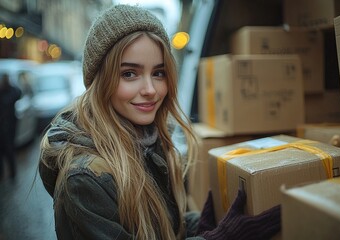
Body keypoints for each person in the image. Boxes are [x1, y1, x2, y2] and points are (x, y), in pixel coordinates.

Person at [38, 4, 281, 239]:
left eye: (158, 73)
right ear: (99, 82)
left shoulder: (151, 142)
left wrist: (201, 223)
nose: (150, 89)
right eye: (129, 74)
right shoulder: (84, 179)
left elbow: (162, 228)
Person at [0, 73, 21, 180]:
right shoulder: (8, 91)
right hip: (6, 124)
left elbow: (18, 93)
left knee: (8, 150)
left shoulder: (10, 91)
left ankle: (11, 174)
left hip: (8, 125)